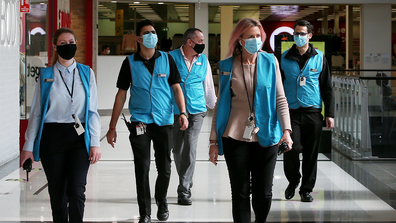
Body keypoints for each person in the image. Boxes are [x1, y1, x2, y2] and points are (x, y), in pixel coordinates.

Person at [208, 18, 293, 223]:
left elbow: (280, 98)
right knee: (240, 192)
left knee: (263, 193)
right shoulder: (227, 66)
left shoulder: (270, 61)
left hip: (267, 134)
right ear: (240, 40)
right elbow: (220, 105)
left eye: (258, 36)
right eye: (251, 36)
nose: (256, 40)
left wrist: (287, 131)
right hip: (234, 135)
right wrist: (213, 141)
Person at [106, 19, 188, 223]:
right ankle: (145, 212)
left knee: (165, 168)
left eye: (154, 32)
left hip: (163, 122)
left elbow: (177, 88)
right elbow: (121, 95)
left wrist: (183, 113)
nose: (152, 35)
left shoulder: (167, 59)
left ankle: (162, 201)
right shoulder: (129, 63)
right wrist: (112, 126)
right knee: (142, 168)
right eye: (147, 32)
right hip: (140, 122)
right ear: (138, 38)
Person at [20, 27, 101, 223]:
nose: (68, 46)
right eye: (63, 43)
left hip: (78, 138)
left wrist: (95, 142)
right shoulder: (46, 75)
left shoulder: (86, 73)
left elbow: (92, 111)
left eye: (71, 42)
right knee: (57, 193)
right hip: (52, 137)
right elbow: (37, 113)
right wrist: (28, 148)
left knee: (76, 190)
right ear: (55, 47)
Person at [280, 20, 334, 202]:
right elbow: (277, 87)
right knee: (291, 149)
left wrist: (330, 114)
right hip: (291, 111)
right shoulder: (284, 57)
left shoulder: (320, 57)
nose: (298, 37)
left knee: (311, 153)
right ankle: (293, 180)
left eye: (302, 33)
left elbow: (327, 87)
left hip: (313, 111)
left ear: (310, 35)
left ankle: (306, 190)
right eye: (296, 33)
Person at [169, 28, 217, 205]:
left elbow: (208, 86)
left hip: (197, 109)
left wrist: (216, 108)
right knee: (177, 149)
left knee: (190, 146)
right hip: (174, 110)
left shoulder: (203, 59)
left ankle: (184, 189)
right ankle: (185, 180)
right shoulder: (170, 57)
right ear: (190, 42)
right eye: (201, 40)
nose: (203, 43)